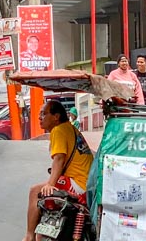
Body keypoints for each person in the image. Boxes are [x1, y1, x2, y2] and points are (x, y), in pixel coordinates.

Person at [23, 100, 94, 241]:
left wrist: (51, 184)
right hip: (87, 183)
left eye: (43, 114)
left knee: (35, 191)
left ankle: (29, 236)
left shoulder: (59, 130)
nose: (39, 118)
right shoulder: (70, 128)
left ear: (56, 116)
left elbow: (59, 159)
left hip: (78, 183)